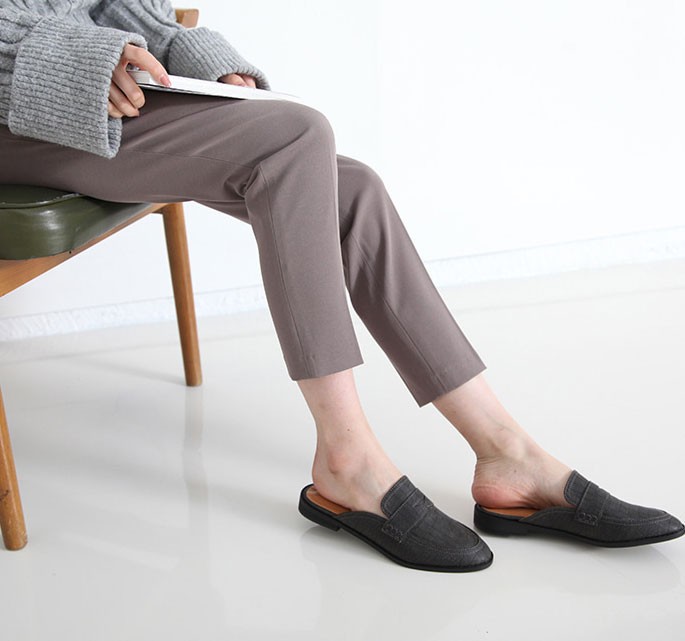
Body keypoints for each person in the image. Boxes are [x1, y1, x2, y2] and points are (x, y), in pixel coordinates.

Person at [1, 0, 682, 572]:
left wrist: (194, 57)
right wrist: (76, 58)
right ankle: (346, 460)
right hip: (18, 109)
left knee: (350, 187)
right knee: (295, 137)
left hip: (90, 85)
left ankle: (507, 453)